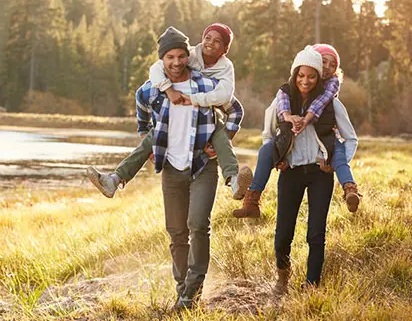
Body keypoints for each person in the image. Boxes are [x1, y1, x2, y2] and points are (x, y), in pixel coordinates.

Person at [131, 27, 244, 310]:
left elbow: (235, 109)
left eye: (181, 56)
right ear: (162, 60)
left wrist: (222, 140)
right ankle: (183, 291)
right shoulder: (154, 88)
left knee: (198, 225)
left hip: (203, 164)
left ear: (187, 57)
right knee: (176, 232)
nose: (177, 62)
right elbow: (141, 106)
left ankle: (192, 292)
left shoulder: (205, 84)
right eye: (170, 57)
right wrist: (149, 141)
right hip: (171, 166)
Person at [87, 24, 252, 200]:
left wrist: (222, 137)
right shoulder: (188, 55)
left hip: (208, 114)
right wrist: (168, 90)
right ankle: (114, 180)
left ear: (225, 49)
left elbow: (228, 98)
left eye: (217, 41)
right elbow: (156, 69)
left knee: (220, 134)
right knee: (154, 134)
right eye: (208, 37)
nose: (210, 43)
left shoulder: (225, 69)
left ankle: (234, 181)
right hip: (176, 115)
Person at [232, 44, 361, 218]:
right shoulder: (286, 93)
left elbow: (348, 135)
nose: (328, 68)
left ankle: (350, 190)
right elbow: (269, 129)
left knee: (338, 153)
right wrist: (279, 157)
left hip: (324, 149)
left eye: (333, 65)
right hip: (291, 161)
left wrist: (336, 159)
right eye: (324, 62)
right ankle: (251, 199)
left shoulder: (330, 95)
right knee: (265, 150)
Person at [266, 46, 355, 292]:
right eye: (302, 75)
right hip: (291, 172)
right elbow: (268, 135)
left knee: (316, 233)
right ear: (296, 74)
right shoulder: (283, 101)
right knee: (284, 231)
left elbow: (351, 139)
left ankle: (312, 284)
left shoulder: (332, 105)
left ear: (319, 76)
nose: (306, 80)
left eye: (313, 75)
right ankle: (282, 276)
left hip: (319, 175)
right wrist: (277, 159)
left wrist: (335, 162)